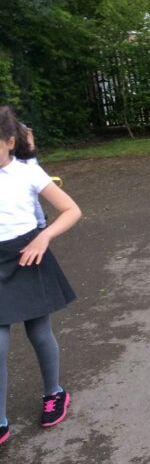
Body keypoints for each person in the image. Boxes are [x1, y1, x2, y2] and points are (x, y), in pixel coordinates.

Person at [0, 106, 82, 446]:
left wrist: (43, 237)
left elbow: (71, 210)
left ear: (9, 141)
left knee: (39, 331)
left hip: (28, 256)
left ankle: (54, 392)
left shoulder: (28, 173)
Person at [0, 106, 46, 228]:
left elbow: (29, 141)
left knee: (33, 198)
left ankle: (41, 223)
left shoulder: (21, 127)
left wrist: (30, 152)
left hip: (24, 160)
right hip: (14, 159)